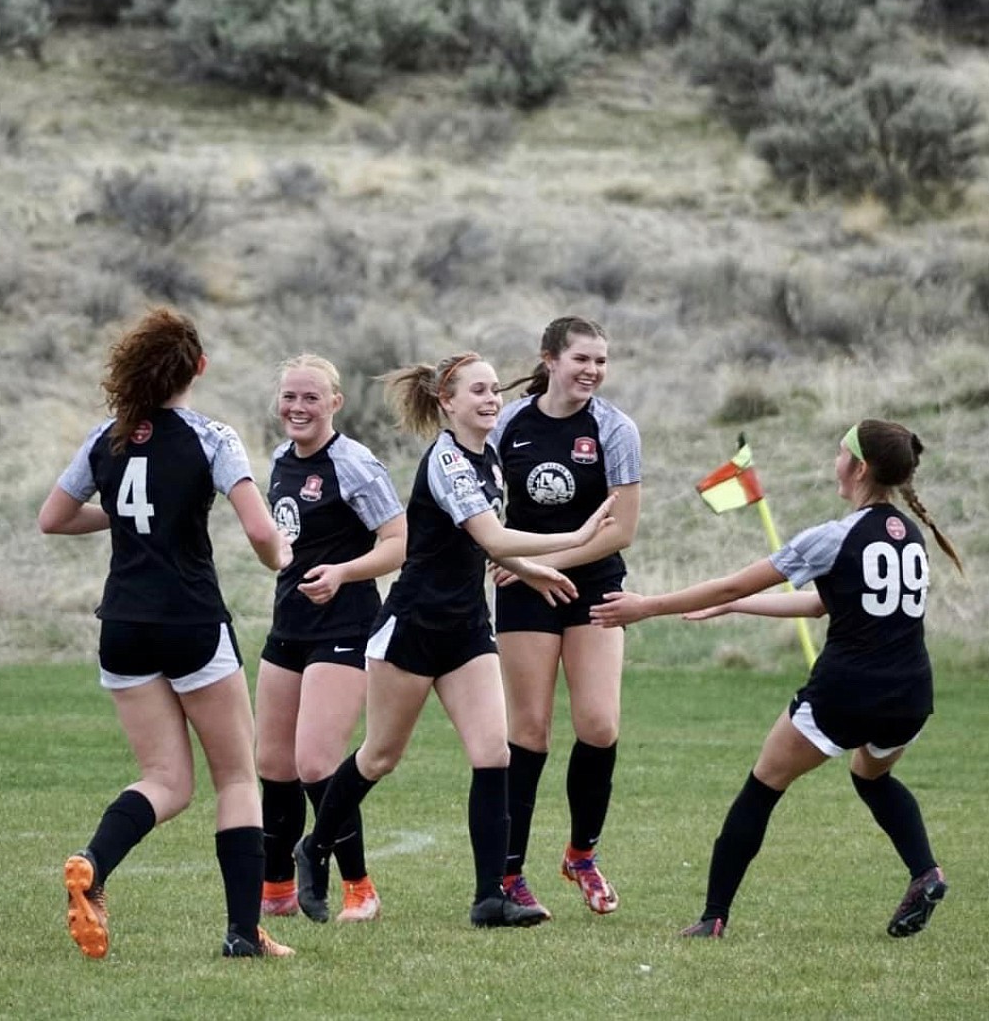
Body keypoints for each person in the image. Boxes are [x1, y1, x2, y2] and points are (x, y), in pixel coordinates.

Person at [591, 419, 963, 939]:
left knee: (761, 789)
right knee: (871, 777)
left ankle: (712, 917)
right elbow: (820, 604)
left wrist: (646, 606)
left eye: (839, 454)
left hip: (846, 691)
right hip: (911, 694)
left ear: (858, 467)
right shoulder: (910, 535)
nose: (834, 462)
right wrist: (737, 608)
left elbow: (732, 582)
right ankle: (927, 872)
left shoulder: (833, 537)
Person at [293, 352, 617, 928]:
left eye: (495, 390)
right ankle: (315, 848)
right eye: (478, 392)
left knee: (493, 754)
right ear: (447, 403)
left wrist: (536, 570)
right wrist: (579, 535)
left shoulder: (488, 455)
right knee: (380, 756)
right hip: (413, 628)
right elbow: (491, 532)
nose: (492, 399)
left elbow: (486, 547)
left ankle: (490, 897)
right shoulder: (446, 460)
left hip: (467, 629)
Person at [38, 306, 296, 960]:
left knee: (164, 779)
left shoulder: (107, 437)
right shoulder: (212, 437)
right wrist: (282, 558)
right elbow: (263, 531)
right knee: (236, 778)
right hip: (190, 622)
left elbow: (54, 517)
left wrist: (124, 526)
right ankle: (243, 934)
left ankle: (94, 863)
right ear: (198, 369)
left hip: (121, 625)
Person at [488, 316, 641, 919]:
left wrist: (543, 559)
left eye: (601, 361)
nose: (592, 371)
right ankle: (508, 875)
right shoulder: (507, 424)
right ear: (548, 359)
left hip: (593, 582)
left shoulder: (615, 429)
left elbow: (621, 530)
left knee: (599, 725)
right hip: (523, 589)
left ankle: (581, 853)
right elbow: (474, 509)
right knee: (529, 732)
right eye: (581, 359)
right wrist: (517, 564)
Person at [255, 355, 407, 925]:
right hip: (288, 625)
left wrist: (342, 572)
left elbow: (398, 542)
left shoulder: (354, 464)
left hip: (344, 627)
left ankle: (359, 888)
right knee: (273, 764)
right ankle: (276, 889)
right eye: (290, 397)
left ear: (335, 403)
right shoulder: (276, 461)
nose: (297, 407)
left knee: (316, 762)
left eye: (311, 398)